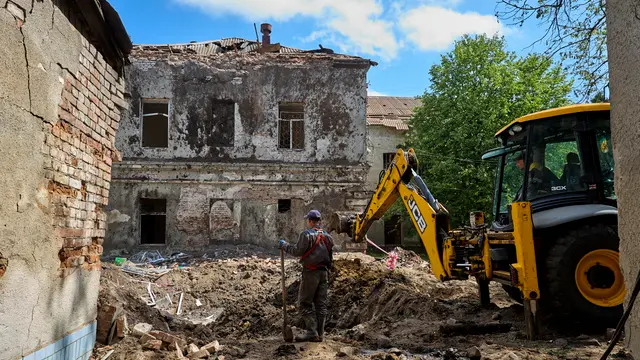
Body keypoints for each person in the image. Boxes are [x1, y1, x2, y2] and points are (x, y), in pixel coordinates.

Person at [278, 210, 334, 342]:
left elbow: (297, 251)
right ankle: (320, 334)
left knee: (304, 303)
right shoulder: (328, 237)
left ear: (309, 221)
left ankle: (311, 332)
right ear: (319, 221)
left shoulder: (306, 235)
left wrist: (284, 245)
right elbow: (330, 257)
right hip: (323, 273)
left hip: (310, 273)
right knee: (321, 304)